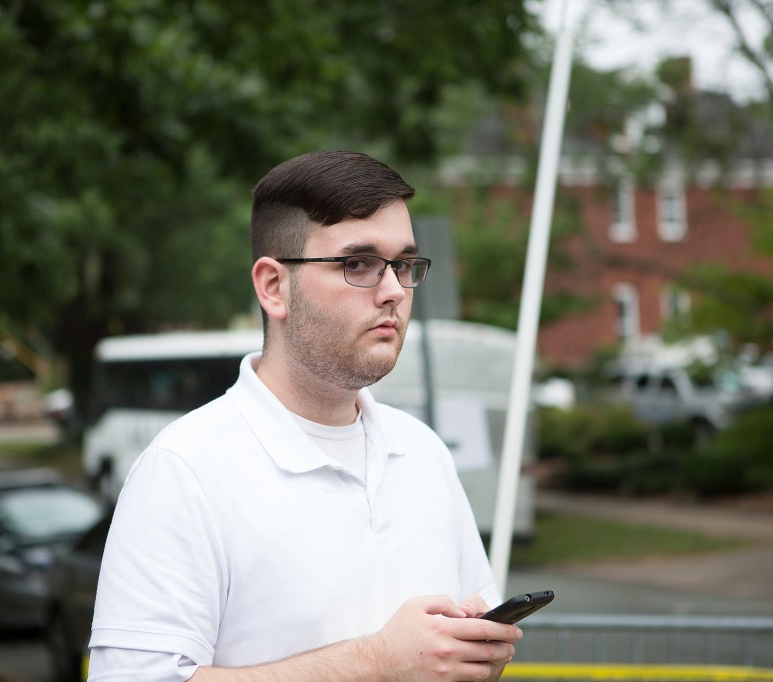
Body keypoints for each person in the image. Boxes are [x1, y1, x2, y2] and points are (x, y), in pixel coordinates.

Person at [88, 151, 521, 681]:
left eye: (404, 265)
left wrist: (472, 654)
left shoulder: (423, 451)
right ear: (274, 287)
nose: (393, 291)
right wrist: (381, 662)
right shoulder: (184, 470)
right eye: (358, 264)